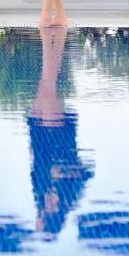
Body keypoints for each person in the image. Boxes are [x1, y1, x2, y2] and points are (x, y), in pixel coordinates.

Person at [28, 27, 94, 236]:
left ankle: (56, 35)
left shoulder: (40, 194)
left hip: (40, 135)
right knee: (48, 82)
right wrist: (62, 171)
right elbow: (87, 172)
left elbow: (35, 163)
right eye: (40, 223)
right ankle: (57, 33)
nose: (37, 219)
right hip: (55, 135)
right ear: (49, 220)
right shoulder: (69, 196)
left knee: (47, 81)